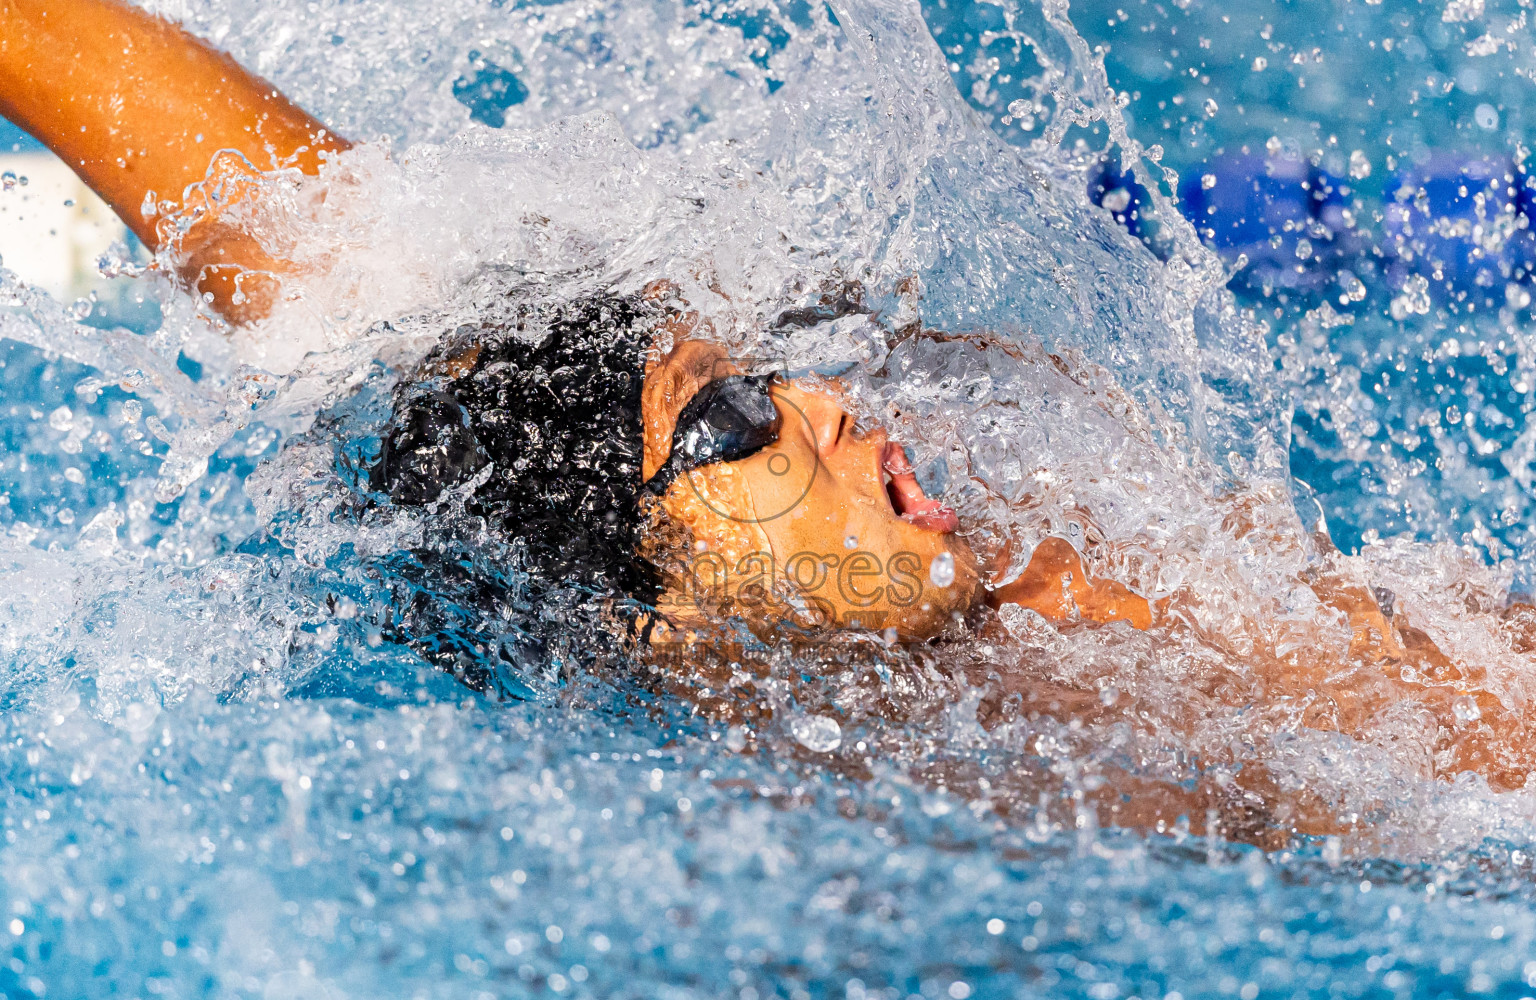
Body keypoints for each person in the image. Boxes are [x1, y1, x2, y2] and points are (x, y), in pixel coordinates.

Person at [6, 0, 1534, 819]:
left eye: (771, 369)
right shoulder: (934, 786)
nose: (825, 401)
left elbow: (81, 52)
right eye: (737, 418)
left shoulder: (977, 559)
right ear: (645, 619)